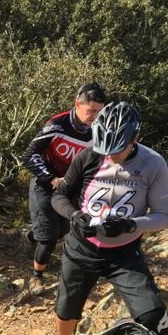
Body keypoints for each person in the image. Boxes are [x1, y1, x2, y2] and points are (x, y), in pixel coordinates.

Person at [46, 101, 168, 335]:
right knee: (66, 306)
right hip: (82, 246)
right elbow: (59, 196)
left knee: (154, 317)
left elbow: (163, 216)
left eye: (118, 149)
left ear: (135, 138)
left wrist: (130, 224)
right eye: (105, 149)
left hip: (123, 253)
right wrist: (75, 216)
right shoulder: (90, 155)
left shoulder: (153, 164)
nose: (110, 155)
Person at [21, 83, 107, 294]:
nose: (95, 116)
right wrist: (51, 178)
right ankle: (36, 277)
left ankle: (32, 235)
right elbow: (29, 155)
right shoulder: (57, 125)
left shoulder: (99, 131)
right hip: (45, 183)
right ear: (78, 104)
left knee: (64, 229)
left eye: (99, 111)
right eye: (91, 111)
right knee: (49, 237)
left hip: (71, 186)